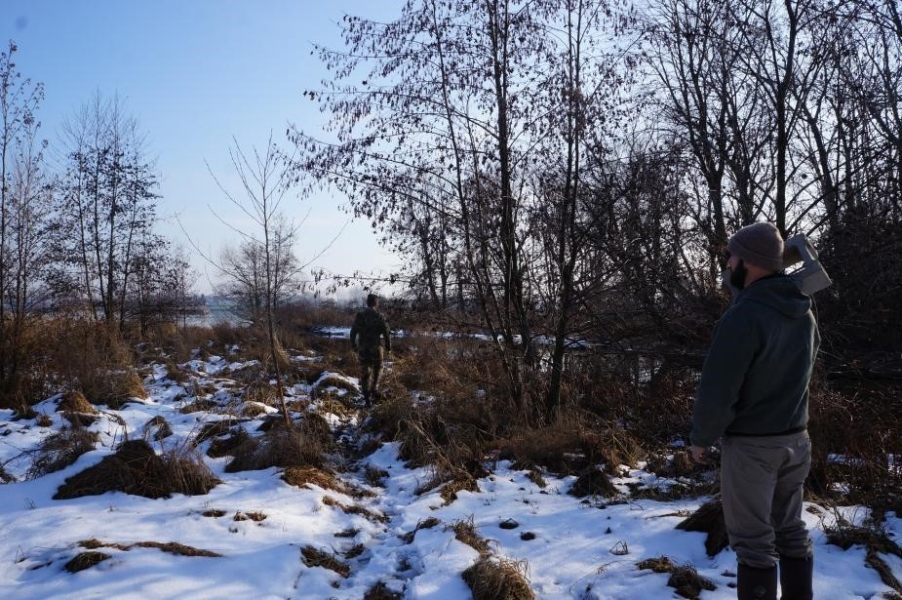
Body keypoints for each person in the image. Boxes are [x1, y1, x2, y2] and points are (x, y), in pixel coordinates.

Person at [690, 222, 820, 600]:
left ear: (750, 262)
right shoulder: (803, 311)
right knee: (790, 530)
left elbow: (718, 388)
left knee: (753, 542)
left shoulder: (744, 317)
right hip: (797, 441)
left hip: (753, 448)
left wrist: (701, 438)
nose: (727, 265)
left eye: (731, 257)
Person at [350, 293, 392, 404]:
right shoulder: (379, 316)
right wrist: (388, 346)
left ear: (367, 302)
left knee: (365, 373)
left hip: (363, 348)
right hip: (376, 348)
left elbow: (353, 332)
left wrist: (354, 346)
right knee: (378, 369)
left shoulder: (360, 316)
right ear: (375, 303)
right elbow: (387, 333)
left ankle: (367, 398)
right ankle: (374, 388)